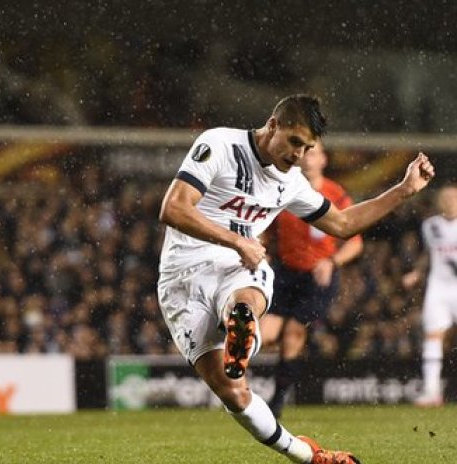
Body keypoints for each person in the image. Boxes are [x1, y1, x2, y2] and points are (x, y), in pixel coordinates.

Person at [157, 94, 434, 463]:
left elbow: (344, 223)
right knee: (234, 394)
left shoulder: (291, 183)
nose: (298, 155)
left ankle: (242, 327)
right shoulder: (220, 143)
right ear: (274, 125)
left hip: (240, 264)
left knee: (245, 294)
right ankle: (305, 453)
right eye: (294, 142)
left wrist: (403, 190)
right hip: (182, 276)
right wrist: (237, 239)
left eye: (307, 148)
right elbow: (173, 208)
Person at [260, 143, 364, 418]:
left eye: (314, 152)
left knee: (293, 334)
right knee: (265, 334)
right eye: (304, 152)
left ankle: (278, 401)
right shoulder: (282, 190)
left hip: (317, 278)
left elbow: (355, 242)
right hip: (285, 273)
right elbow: (263, 230)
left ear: (324, 160)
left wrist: (331, 262)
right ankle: (241, 392)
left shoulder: (336, 195)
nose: (307, 158)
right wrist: (260, 250)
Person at [402, 184, 457, 407]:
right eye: (445, 196)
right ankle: (432, 391)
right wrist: (416, 272)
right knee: (433, 337)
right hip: (439, 288)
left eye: (453, 196)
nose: (449, 200)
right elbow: (429, 254)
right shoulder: (430, 225)